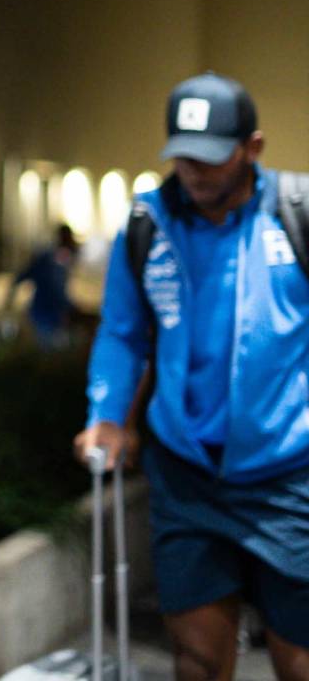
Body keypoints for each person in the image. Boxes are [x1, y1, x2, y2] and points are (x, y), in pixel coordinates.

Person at [75, 73, 309, 681]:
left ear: (252, 148)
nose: (195, 172)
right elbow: (123, 334)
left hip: (290, 475)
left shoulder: (295, 213)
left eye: (212, 158)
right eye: (183, 156)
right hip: (186, 477)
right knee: (198, 663)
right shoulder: (149, 223)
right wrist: (107, 417)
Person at [3, 223, 78, 350]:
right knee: (50, 348)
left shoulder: (58, 259)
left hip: (51, 314)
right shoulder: (48, 259)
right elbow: (55, 289)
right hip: (45, 313)